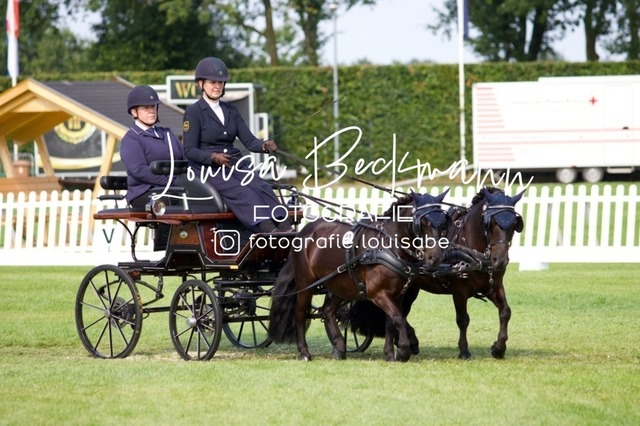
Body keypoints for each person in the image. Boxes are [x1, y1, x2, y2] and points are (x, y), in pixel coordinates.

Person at [182, 56, 291, 233]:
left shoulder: (231, 110)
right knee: (244, 191)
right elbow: (189, 150)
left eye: (220, 82)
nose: (217, 86)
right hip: (208, 169)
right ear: (201, 84)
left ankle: (287, 229)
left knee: (263, 186)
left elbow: (249, 141)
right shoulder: (193, 112)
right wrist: (213, 157)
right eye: (212, 82)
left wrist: (264, 145)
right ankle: (269, 231)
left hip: (233, 165)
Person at [120, 85, 185, 209]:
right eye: (146, 108)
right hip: (145, 191)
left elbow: (185, 158)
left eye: (153, 106)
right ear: (134, 112)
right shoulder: (131, 139)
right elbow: (140, 171)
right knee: (180, 202)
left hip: (175, 188)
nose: (151, 111)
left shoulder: (167, 134)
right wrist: (172, 181)